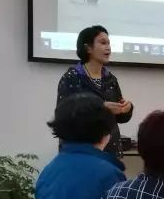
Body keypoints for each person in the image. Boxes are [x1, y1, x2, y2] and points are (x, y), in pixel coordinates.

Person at [57, 26, 133, 157]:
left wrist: (126, 109)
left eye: (109, 43)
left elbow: (120, 118)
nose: (108, 47)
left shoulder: (111, 79)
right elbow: (64, 116)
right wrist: (100, 108)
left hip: (110, 151)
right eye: (103, 43)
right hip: (80, 151)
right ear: (88, 48)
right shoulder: (72, 77)